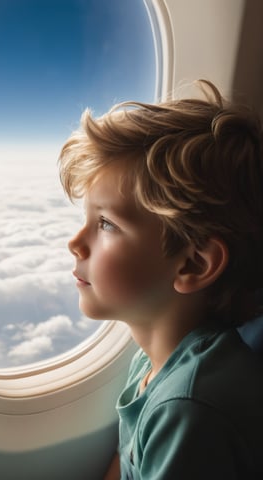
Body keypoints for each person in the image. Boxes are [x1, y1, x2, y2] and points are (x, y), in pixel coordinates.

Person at [58, 80, 263, 479]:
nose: (75, 242)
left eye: (105, 224)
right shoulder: (153, 362)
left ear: (194, 265)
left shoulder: (191, 408)